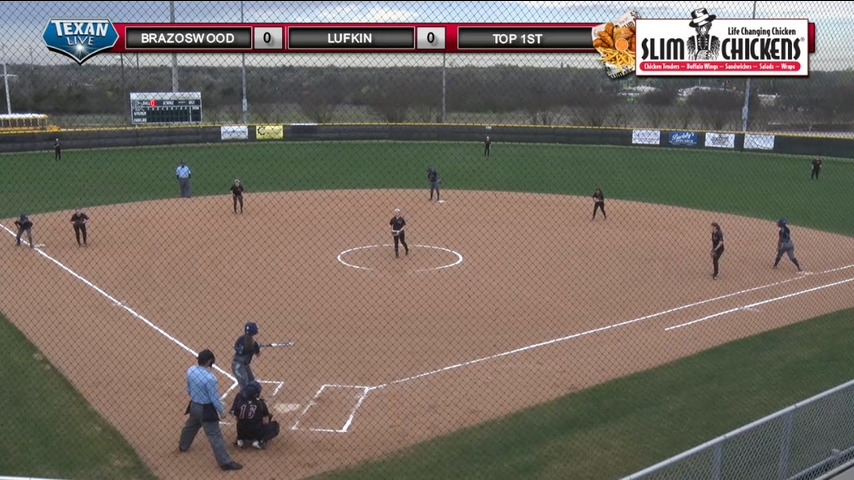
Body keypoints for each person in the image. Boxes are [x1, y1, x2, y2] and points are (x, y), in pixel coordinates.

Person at [178, 349, 243, 471]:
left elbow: (188, 388)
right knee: (215, 435)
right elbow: (214, 398)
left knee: (190, 426)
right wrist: (221, 411)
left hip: (193, 406)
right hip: (206, 410)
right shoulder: (210, 378)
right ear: (209, 362)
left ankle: (183, 446)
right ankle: (225, 463)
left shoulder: (191, 370)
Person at [231, 381, 280, 450]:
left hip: (242, 431)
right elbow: (265, 422)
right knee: (275, 425)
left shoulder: (240, 402)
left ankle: (240, 440)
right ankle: (259, 441)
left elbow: (237, 418)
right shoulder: (260, 403)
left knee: (240, 422)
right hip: (255, 433)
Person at [232, 322, 261, 392]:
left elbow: (235, 347)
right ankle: (245, 401)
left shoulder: (241, 339)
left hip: (241, 364)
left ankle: (252, 397)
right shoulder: (254, 345)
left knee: (251, 383)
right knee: (245, 386)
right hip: (239, 367)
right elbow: (258, 355)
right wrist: (258, 348)